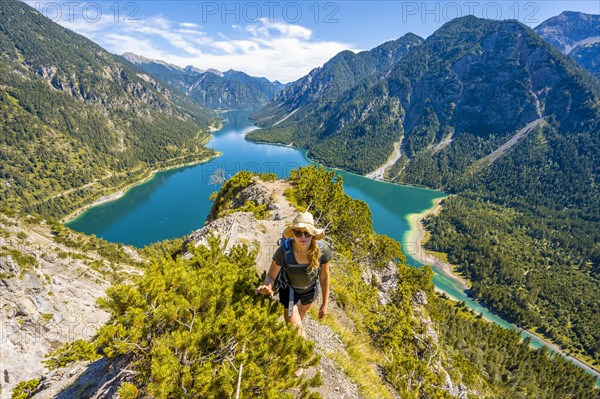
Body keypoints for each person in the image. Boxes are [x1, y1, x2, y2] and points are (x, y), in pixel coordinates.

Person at [256, 211, 332, 338]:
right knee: (295, 334)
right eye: (298, 233)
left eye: (307, 233)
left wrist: (325, 304)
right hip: (289, 291)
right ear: (293, 234)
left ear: (313, 234)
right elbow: (271, 275)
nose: (303, 236)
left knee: (301, 314)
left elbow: (324, 277)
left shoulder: (322, 251)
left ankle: (294, 340)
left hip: (310, 291)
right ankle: (296, 345)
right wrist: (268, 287)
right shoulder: (284, 251)